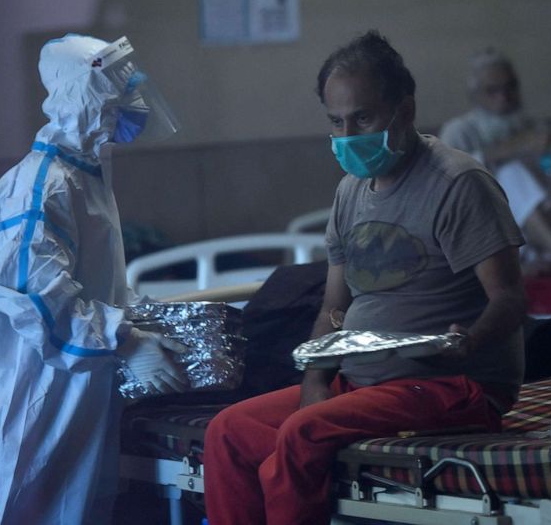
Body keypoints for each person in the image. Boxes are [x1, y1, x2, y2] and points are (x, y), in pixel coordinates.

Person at [203, 31, 527, 525]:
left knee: (300, 434)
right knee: (227, 432)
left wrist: (472, 340)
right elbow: (335, 305)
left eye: (364, 118)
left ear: (406, 110)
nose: (350, 135)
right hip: (362, 383)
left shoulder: (458, 186)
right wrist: (317, 376)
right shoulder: (351, 191)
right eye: (336, 122)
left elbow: (509, 298)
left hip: (450, 385)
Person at [0, 34, 189, 524]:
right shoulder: (40, 186)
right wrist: (126, 340)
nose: (131, 103)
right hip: (20, 402)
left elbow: (91, 280)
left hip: (66, 397)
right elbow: (38, 296)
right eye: (118, 93)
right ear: (86, 98)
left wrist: (140, 317)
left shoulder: (84, 176)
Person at [439, 48, 551, 277]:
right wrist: (514, 147)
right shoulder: (459, 132)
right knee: (510, 172)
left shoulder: (535, 129)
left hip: (544, 227)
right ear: (475, 96)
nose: (504, 97)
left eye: (510, 87)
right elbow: (449, 185)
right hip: (489, 231)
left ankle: (550, 252)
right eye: (492, 91)